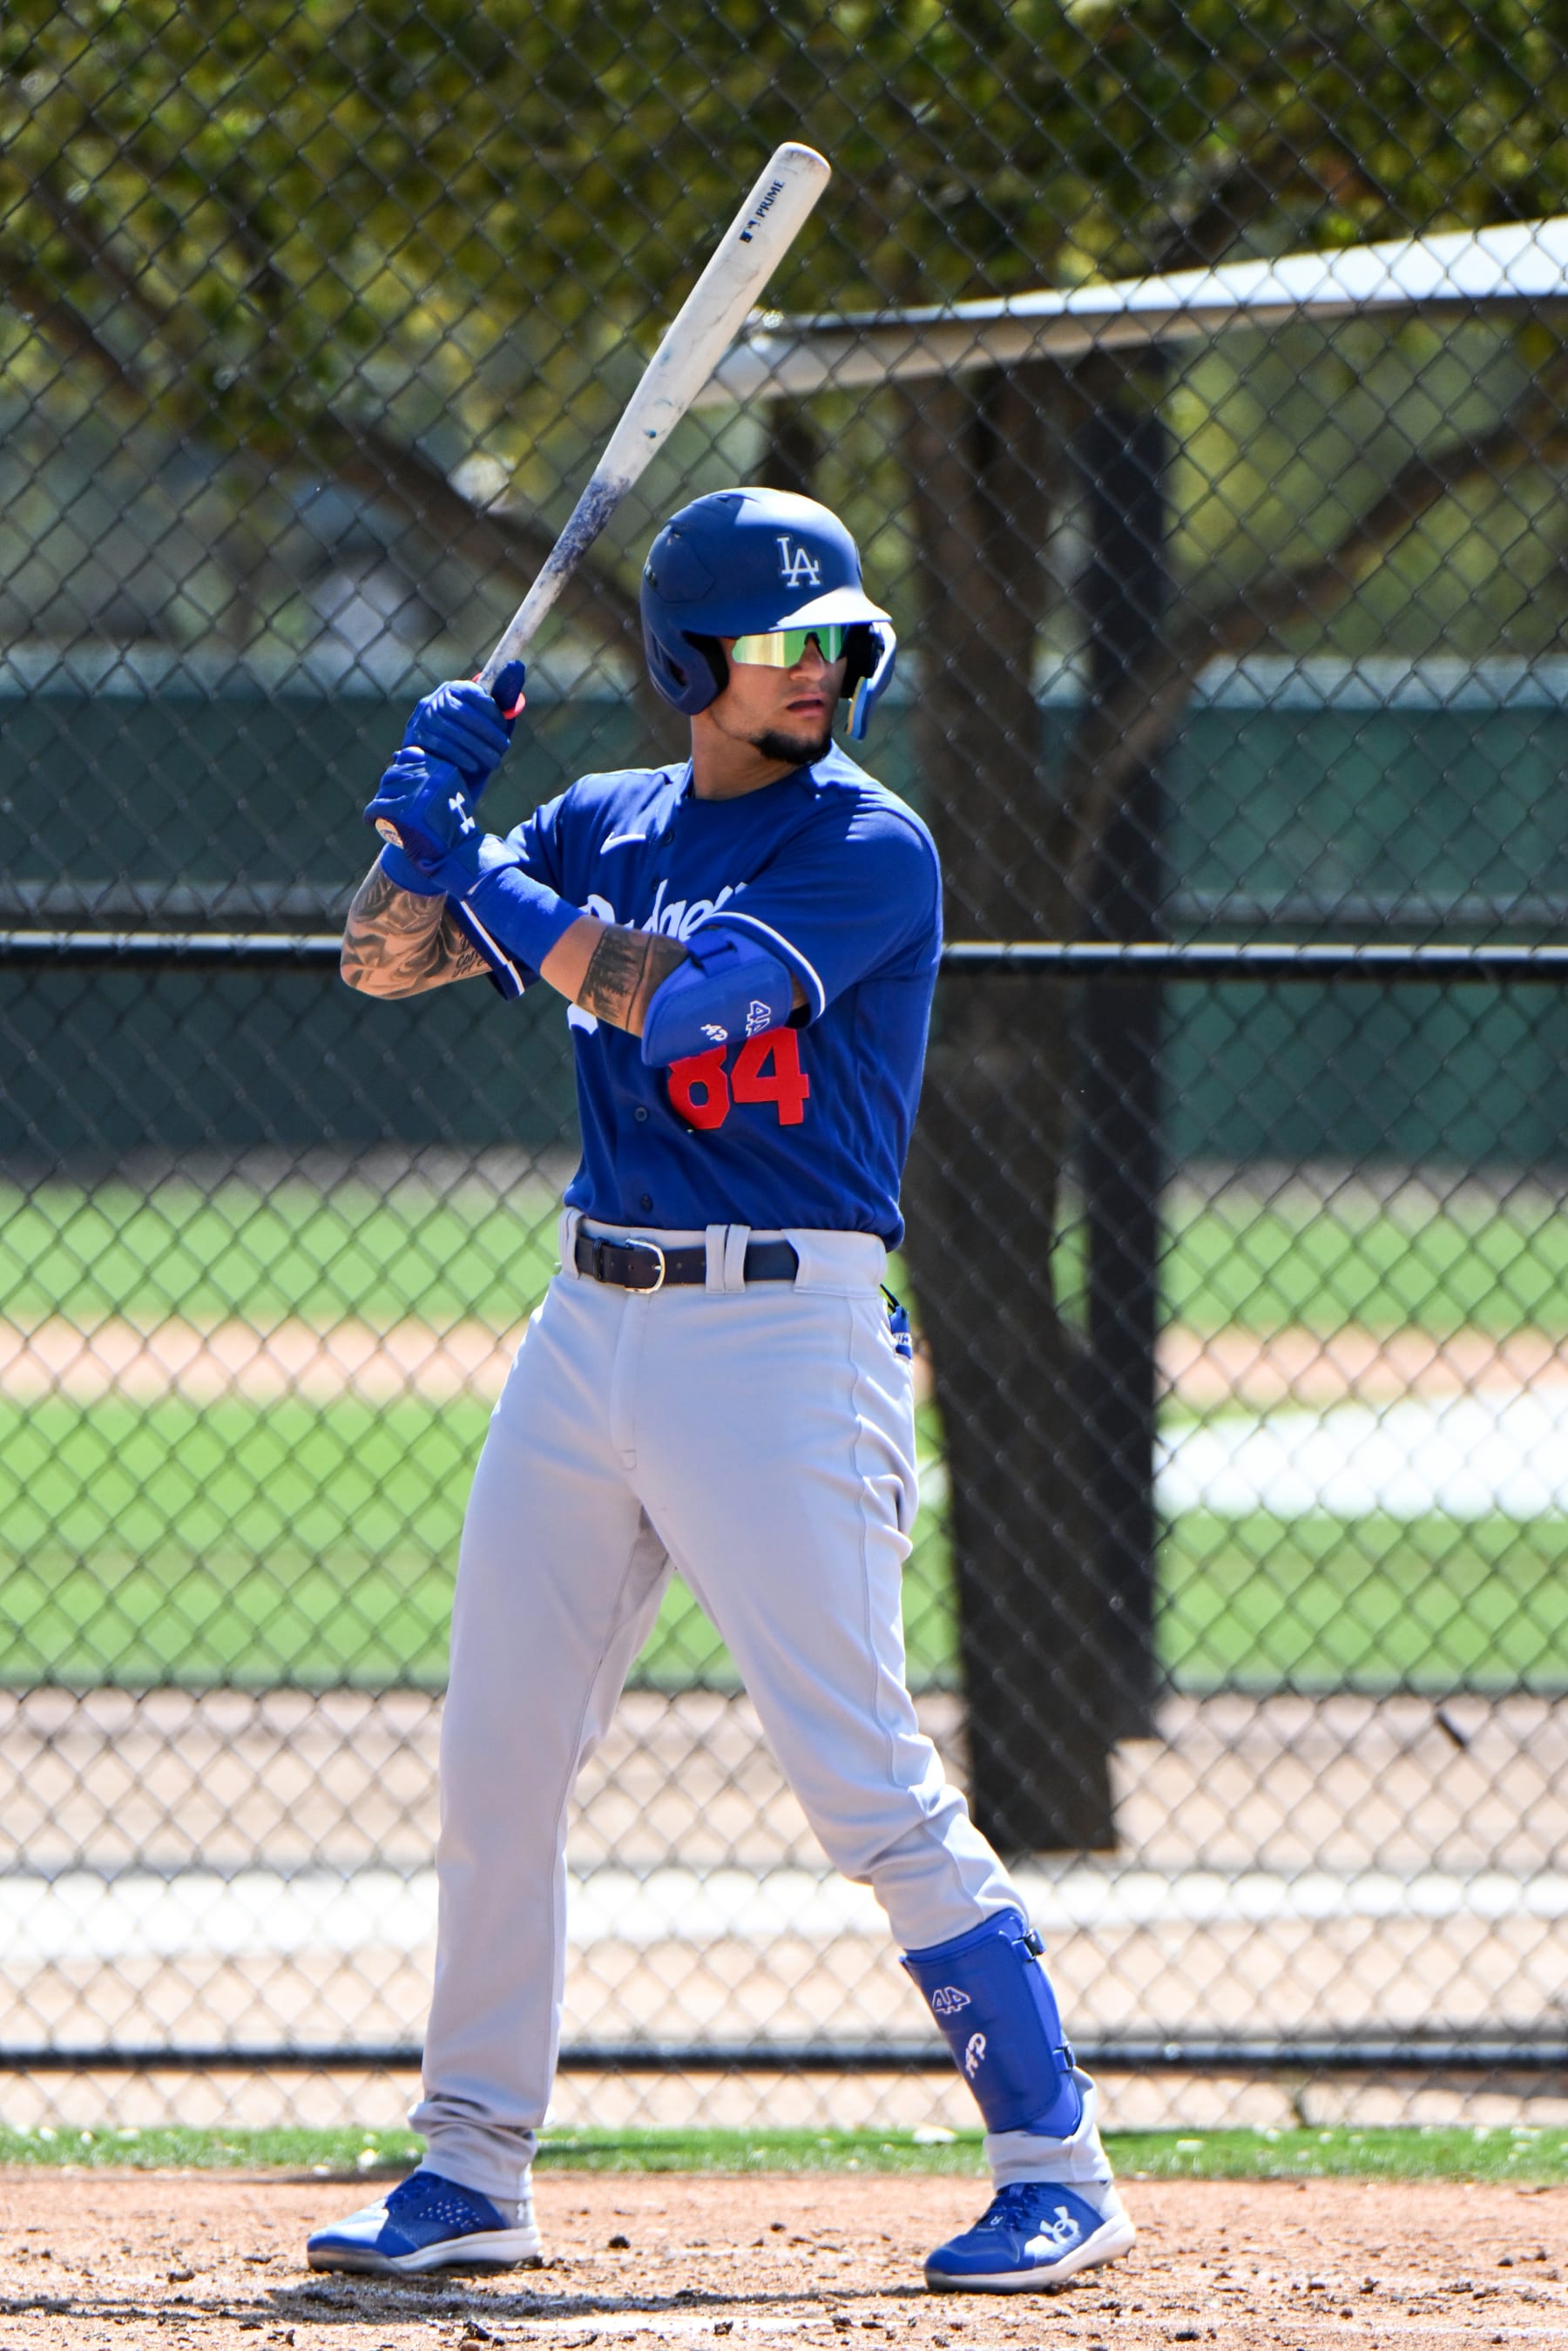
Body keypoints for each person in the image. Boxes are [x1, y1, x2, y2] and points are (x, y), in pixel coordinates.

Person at [305, 487, 1134, 2294]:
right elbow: (378, 955)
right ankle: (467, 2166)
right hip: (589, 1321)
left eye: (839, 639)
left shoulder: (872, 843)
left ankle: (1055, 2155)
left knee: (860, 1780)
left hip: (782, 1337)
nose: (821, 669)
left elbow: (676, 1011)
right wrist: (412, 814)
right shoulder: (607, 816)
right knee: (496, 1755)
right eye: (782, 646)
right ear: (692, 665)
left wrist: (481, 867)